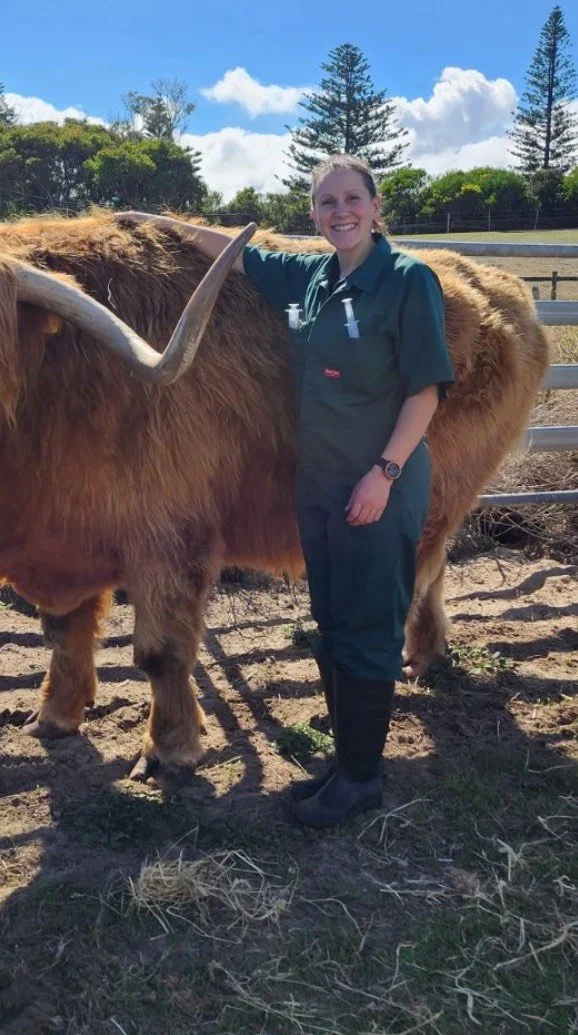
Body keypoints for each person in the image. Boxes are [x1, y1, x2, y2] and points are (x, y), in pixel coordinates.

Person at [168, 154, 455, 827]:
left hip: (377, 484)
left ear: (376, 205)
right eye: (326, 203)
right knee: (332, 625)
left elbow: (426, 390)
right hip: (321, 484)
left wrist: (383, 475)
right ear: (314, 215)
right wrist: (146, 220)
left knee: (369, 628)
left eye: (352, 198)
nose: (340, 212)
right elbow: (237, 254)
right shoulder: (312, 276)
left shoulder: (409, 281)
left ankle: (362, 780)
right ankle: (345, 761)